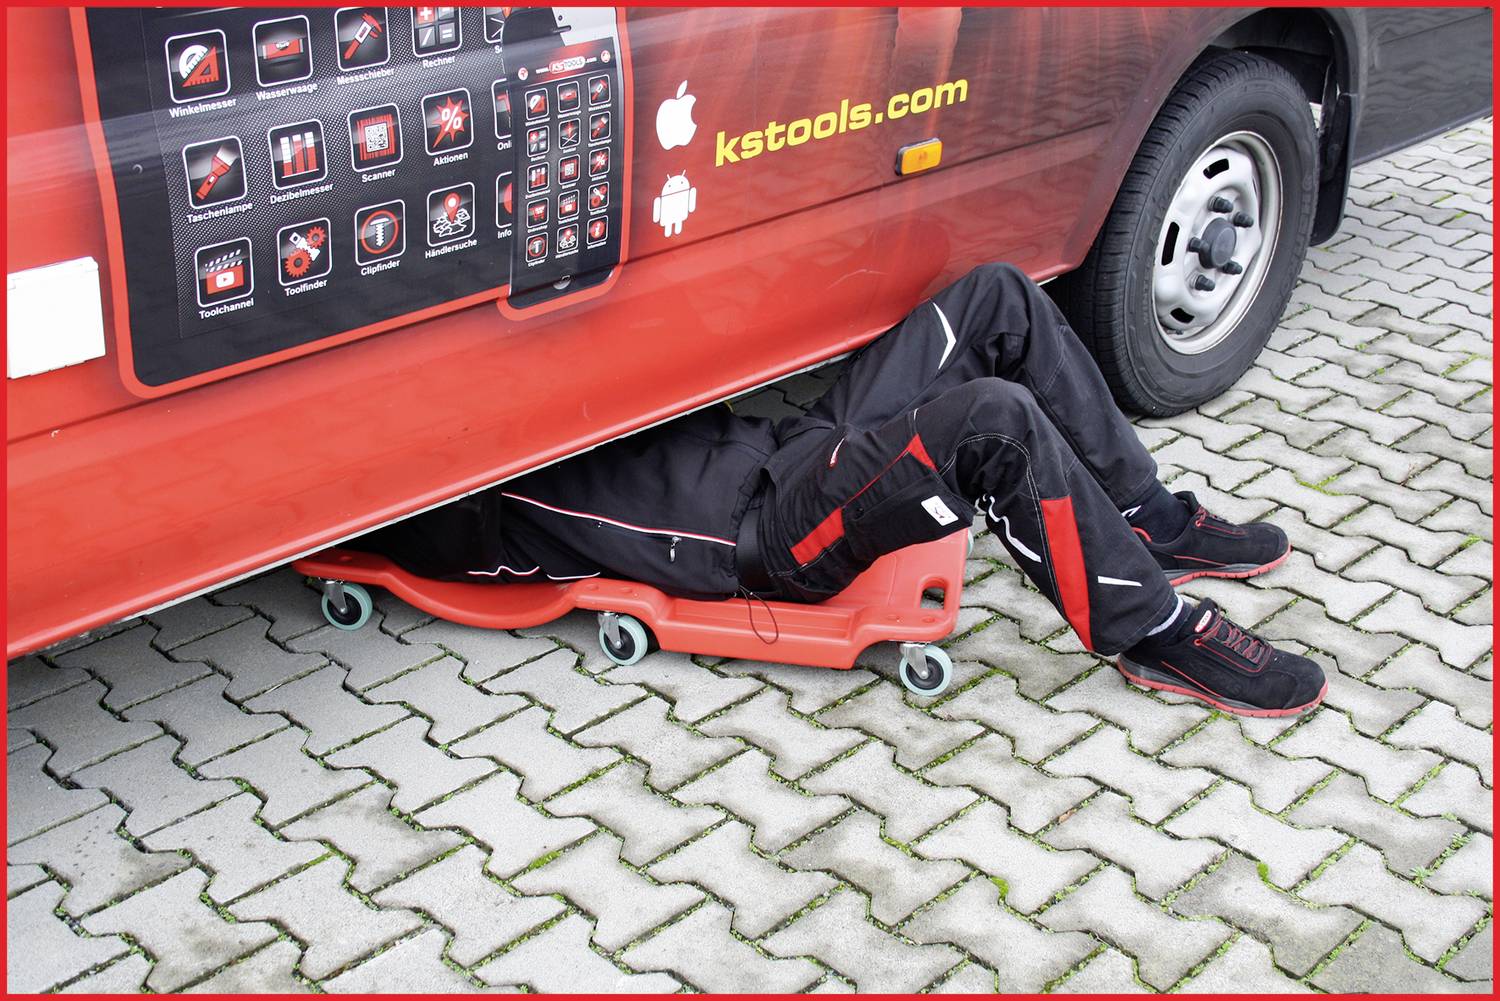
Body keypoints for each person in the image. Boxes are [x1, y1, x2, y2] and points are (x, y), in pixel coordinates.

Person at [360, 263, 1325, 717]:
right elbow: (424, 540)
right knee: (991, 422)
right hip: (773, 536)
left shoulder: (505, 385)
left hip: (790, 446)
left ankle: (1148, 520)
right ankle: (1153, 633)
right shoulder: (470, 505)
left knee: (995, 297)